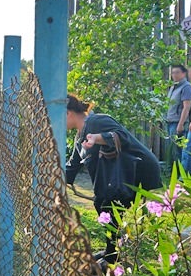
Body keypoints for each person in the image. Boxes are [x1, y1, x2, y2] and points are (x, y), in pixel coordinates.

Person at [65, 94, 162, 266]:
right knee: (102, 204)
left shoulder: (96, 121)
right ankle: (111, 252)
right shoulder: (79, 137)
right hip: (119, 174)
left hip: (137, 170)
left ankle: (112, 258)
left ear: (68, 113)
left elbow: (121, 136)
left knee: (110, 207)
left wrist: (97, 138)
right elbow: (72, 166)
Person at [165, 65, 191, 168]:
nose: (174, 75)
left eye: (177, 72)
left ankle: (180, 174)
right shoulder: (173, 87)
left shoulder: (186, 87)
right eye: (173, 73)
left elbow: (186, 107)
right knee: (172, 150)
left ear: (183, 73)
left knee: (179, 150)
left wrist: (181, 124)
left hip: (178, 123)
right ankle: (173, 172)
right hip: (170, 121)